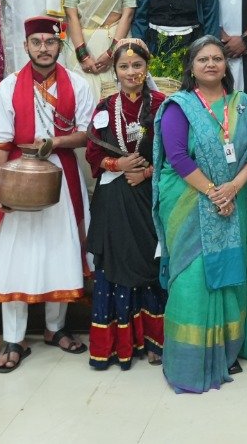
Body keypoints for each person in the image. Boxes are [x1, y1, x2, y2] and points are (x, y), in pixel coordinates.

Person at [152, 37, 247, 393]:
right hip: (189, 203)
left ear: (226, 65)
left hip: (232, 202)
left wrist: (233, 188)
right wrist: (214, 192)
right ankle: (190, 361)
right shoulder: (179, 106)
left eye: (217, 58)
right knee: (192, 279)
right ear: (191, 68)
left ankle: (226, 350)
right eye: (203, 59)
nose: (211, 64)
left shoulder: (241, 105)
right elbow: (177, 157)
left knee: (228, 272)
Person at [0, 16, 98, 372]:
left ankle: (55, 328)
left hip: (63, 174)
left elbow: (87, 134)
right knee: (15, 255)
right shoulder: (8, 87)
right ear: (26, 46)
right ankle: (14, 338)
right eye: (37, 42)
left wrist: (55, 143)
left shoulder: (77, 84)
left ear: (59, 45)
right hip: (18, 174)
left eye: (50, 42)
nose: (44, 48)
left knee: (59, 249)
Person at [84, 40, 169, 370]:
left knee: (151, 265)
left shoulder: (163, 105)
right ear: (115, 71)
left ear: (147, 67)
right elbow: (93, 153)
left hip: (150, 198)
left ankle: (155, 341)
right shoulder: (105, 107)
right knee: (116, 268)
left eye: (137, 65)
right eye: (124, 66)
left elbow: (177, 153)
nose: (131, 72)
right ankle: (123, 344)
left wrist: (145, 172)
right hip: (115, 199)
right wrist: (117, 165)